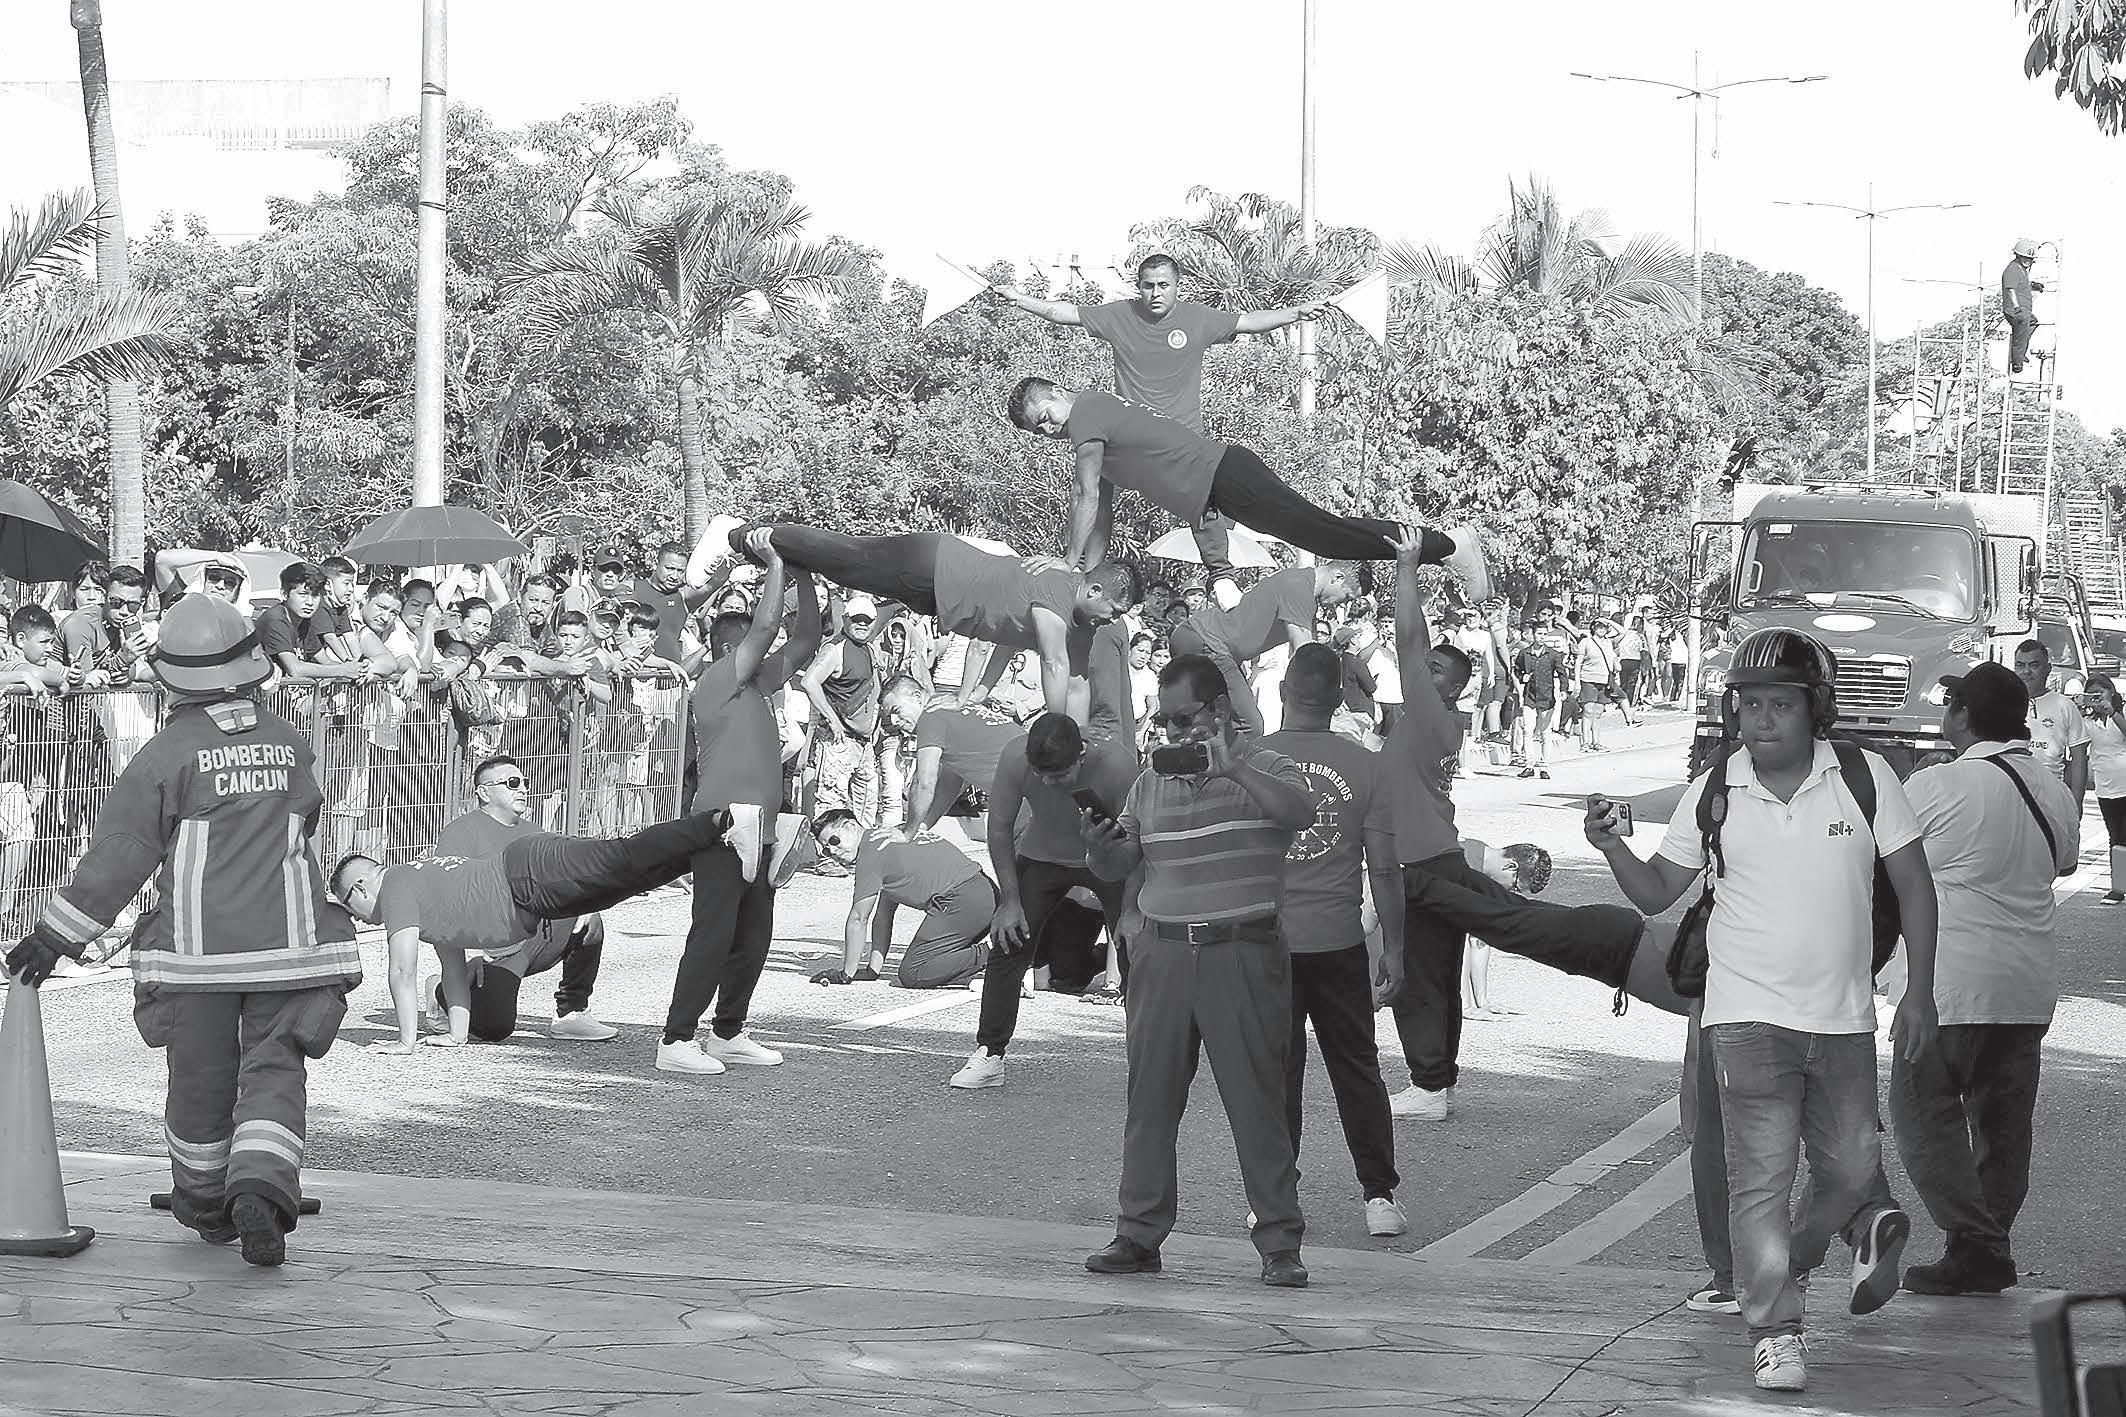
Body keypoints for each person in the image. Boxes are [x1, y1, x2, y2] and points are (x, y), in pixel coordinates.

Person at [1588, 627, 1939, 1393]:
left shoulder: (1865, 776)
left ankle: (1789, 1265)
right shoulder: (1716, 788)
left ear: (1816, 709)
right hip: (1743, 1016)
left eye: (1781, 703)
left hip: (1842, 1018)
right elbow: (1658, 888)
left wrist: (1922, 990)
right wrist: (1612, 847)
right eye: (1749, 704)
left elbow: (1915, 885)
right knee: (1759, 1182)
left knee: (1852, 1170)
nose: (1762, 718)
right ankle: (1775, 1330)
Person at [6, 594, 364, 1269]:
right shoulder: (291, 742)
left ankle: (205, 1203)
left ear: (170, 676)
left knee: (200, 1083)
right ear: (251, 667)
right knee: (274, 1073)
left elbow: (122, 855)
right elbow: (307, 825)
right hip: (291, 955)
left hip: (197, 964)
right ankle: (260, 1185)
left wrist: (57, 934)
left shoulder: (165, 754)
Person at [1081, 653, 1317, 1289]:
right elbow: (1124, 860)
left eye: (1184, 719)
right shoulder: (1148, 782)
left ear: (1219, 711)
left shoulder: (1268, 765)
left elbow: (1301, 814)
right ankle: (1138, 1233)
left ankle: (1279, 1241)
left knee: (1257, 1101)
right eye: (1165, 721)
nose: (1173, 732)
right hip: (1161, 952)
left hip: (1240, 949)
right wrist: (1100, 852)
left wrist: (1234, 767)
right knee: (1150, 1100)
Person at [1893, 662, 2078, 1295]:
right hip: (2026, 987)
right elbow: (2065, 862)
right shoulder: (2052, 788)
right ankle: (1979, 1252)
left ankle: (1978, 1244)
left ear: (1963, 715)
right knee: (2003, 1130)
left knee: (1923, 1117)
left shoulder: (1939, 783)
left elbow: (1885, 857)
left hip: (1949, 984)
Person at [1007, 376, 1491, 603]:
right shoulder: (1095, 432)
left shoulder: (1087, 415)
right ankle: (1444, 546)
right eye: (1037, 431)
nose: (1047, 431)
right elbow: (1102, 514)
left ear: (1059, 394)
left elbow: (1084, 495)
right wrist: (1086, 572)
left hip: (1227, 475)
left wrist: (1066, 561)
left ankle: (1448, 544)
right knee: (1327, 534)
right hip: (1221, 486)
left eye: (1045, 418)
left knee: (1328, 534)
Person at [334, 807, 743, 1052]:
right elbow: (453, 969)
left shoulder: (395, 886)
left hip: (527, 875)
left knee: (624, 858)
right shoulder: (419, 891)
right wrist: (457, 1035)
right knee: (630, 878)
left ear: (361, 887)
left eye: (350, 907)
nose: (358, 918)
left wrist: (404, 1042)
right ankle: (720, 843)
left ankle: (723, 819)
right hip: (530, 889)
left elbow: (402, 971)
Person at [659, 531, 822, 1076]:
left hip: (764, 830)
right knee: (713, 935)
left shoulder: (760, 683)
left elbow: (806, 638)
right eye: (750, 641)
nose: (765, 650)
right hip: (722, 828)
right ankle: (676, 1039)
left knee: (753, 939)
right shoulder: (716, 681)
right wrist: (774, 560)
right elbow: (770, 628)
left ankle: (728, 1032)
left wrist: (802, 572)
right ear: (730, 649)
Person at [1259, 644, 1409, 1238]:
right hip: (1339, 940)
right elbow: (1385, 869)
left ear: (1283, 692)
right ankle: (1379, 1196)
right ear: (1341, 697)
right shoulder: (1366, 766)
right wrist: (1394, 947)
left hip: (1267, 941)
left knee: (1276, 1072)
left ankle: (1272, 1194)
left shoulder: (1254, 760)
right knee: (1357, 1069)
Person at [690, 521, 1133, 721]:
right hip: (934, 565)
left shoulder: (1079, 624)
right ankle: (737, 532)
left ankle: (765, 547)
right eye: (1114, 610)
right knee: (848, 557)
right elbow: (1054, 664)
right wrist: (1059, 733)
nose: (1113, 619)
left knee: (840, 568)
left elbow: (1069, 680)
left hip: (935, 595)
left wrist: (973, 695)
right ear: (1093, 590)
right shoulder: (1057, 588)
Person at [949, 713, 1136, 1090]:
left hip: (1109, 859)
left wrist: (1131, 910)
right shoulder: (1015, 756)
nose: (1048, 783)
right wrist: (1009, 901)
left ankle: (1150, 1054)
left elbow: (1138, 842)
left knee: (1136, 947)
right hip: (1042, 857)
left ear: (1080, 756)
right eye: (1041, 775)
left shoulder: (1117, 765)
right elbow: (999, 828)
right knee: (1008, 939)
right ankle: (990, 1054)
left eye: (1059, 776)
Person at [991, 252, 1322, 436]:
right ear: (1139, 286)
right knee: (1097, 487)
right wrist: (1019, 299)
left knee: (1208, 511)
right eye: (1148, 286)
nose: (1156, 292)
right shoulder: (1120, 315)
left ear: (1177, 285)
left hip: (1186, 437)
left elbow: (1247, 321)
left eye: (1163, 285)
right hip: (1133, 436)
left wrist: (1296, 313)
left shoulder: (1198, 318)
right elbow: (1065, 313)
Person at [421, 754, 620, 1043]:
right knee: (495, 1029)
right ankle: (442, 991)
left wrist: (584, 903)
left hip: (533, 936)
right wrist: (471, 951)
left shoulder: (534, 832)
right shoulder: (461, 832)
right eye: (513, 783)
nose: (523, 788)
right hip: (493, 947)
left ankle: (572, 1013)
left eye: (525, 782)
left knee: (591, 919)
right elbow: (447, 896)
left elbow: (562, 878)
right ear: (484, 792)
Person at [1167, 563, 1366, 734]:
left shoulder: (1301, 588)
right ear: (1337, 577)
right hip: (1206, 642)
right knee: (1249, 726)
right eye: (1347, 597)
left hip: (1207, 643)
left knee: (1216, 724)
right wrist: (1327, 699)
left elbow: (1310, 653)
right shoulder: (1299, 587)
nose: (1343, 604)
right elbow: (1305, 655)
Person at [808, 810, 994, 989]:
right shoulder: (891, 836)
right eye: (826, 851)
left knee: (913, 972)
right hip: (985, 894)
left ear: (850, 826)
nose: (832, 850)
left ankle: (997, 951)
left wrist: (846, 974)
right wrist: (873, 970)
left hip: (961, 902)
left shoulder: (870, 854)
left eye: (834, 840)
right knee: (936, 963)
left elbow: (858, 918)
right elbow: (883, 916)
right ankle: (996, 955)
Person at [802, 594, 885, 825]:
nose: (862, 624)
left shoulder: (869, 649)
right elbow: (810, 681)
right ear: (845, 619)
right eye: (856, 619)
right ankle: (825, 846)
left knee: (867, 804)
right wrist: (832, 720)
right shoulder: (834, 649)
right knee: (831, 806)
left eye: (867, 620)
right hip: (839, 741)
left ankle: (862, 845)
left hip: (864, 742)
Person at [2014, 638, 2089, 811]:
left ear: (2048, 669)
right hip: (2010, 795)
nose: (2026, 671)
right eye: (2020, 665)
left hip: (2050, 800)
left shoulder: (2065, 706)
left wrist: (2076, 802)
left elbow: (2079, 758)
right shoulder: (2001, 704)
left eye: (2034, 665)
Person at [630, 540, 713, 664]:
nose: (674, 576)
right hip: (634, 669)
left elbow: (711, 586)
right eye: (669, 568)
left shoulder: (683, 596)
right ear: (655, 564)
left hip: (671, 671)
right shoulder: (631, 588)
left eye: (680, 571)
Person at [2083, 672, 2126, 904]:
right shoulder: (2087, 721)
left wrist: (2113, 712)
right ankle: (2118, 887)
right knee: (2116, 837)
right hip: (2105, 786)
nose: (2096, 699)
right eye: (2091, 695)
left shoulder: (2121, 712)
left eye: (2100, 694)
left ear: (2111, 692)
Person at [2001, 237, 2044, 376]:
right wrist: (2017, 308)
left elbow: (2021, 286)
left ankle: (2020, 352)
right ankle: (2017, 364)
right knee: (2021, 332)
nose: (2027, 260)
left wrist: (2034, 286)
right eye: (2025, 257)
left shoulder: (2021, 269)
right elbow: (2010, 289)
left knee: (2032, 323)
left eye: (2030, 258)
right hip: (2016, 310)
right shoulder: (2013, 269)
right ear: (2018, 256)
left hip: (2024, 310)